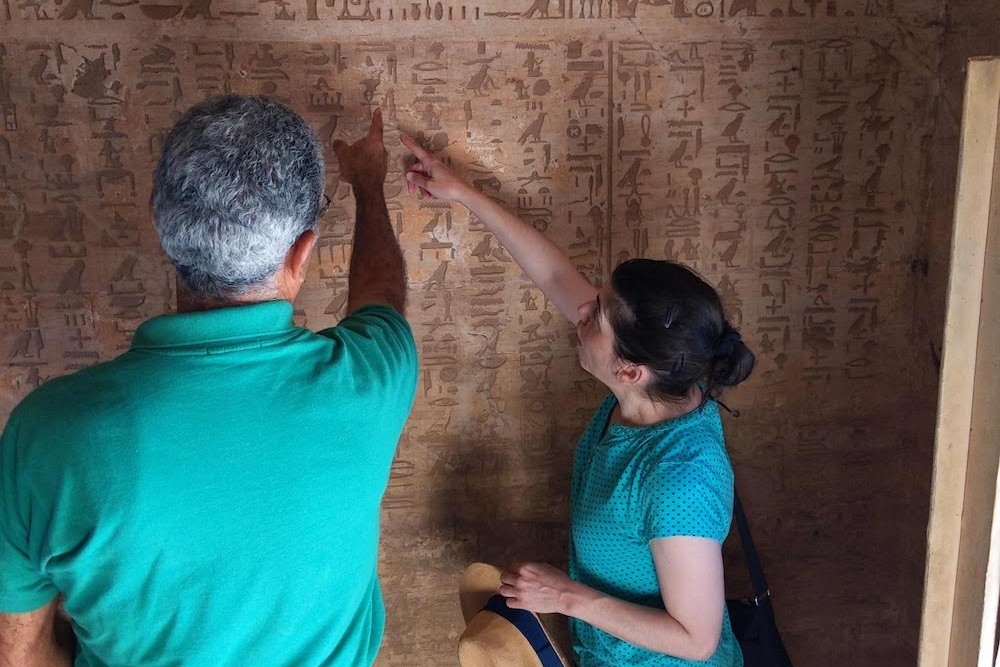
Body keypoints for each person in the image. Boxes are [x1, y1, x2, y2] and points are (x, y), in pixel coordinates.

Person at [0, 96, 417, 667]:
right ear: (302, 252)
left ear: (156, 216)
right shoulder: (375, 379)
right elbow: (382, 297)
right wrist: (368, 184)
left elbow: (19, 652)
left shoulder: (48, 433)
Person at [401, 134, 753, 667]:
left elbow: (696, 639)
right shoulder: (653, 392)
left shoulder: (681, 476)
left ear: (630, 370)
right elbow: (555, 276)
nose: (581, 310)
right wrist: (464, 193)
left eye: (596, 315)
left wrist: (565, 598)